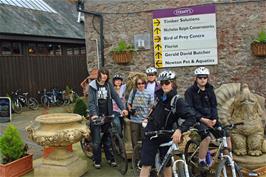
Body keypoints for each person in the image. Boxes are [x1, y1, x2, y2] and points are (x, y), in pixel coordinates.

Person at [140, 70, 196, 177]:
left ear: (173, 83)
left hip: (166, 134)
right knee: (146, 164)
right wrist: (147, 118)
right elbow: (154, 111)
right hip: (151, 134)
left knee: (167, 164)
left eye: (167, 83)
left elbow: (191, 117)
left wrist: (180, 130)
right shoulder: (159, 97)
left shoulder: (177, 101)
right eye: (162, 83)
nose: (164, 86)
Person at [184, 67, 231, 170]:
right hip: (197, 120)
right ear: (196, 78)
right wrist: (202, 119)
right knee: (207, 137)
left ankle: (227, 159)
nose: (202, 79)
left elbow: (214, 106)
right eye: (200, 77)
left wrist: (214, 118)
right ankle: (201, 161)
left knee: (225, 134)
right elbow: (190, 109)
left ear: (207, 78)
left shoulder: (210, 89)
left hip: (211, 119)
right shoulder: (190, 92)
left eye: (205, 77)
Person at [88, 68, 128, 169]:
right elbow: (91, 102)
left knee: (108, 138)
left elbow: (116, 97)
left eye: (106, 74)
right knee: (97, 140)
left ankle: (110, 158)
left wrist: (123, 108)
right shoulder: (93, 86)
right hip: (96, 116)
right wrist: (93, 114)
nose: (105, 76)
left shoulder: (109, 85)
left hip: (107, 115)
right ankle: (97, 160)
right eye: (103, 74)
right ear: (99, 75)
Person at [127, 76, 153, 150]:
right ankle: (136, 158)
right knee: (134, 141)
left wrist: (147, 117)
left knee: (144, 139)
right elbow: (128, 103)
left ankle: (144, 157)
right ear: (136, 85)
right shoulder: (134, 91)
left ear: (145, 84)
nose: (141, 85)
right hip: (134, 120)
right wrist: (131, 110)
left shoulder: (149, 93)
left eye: (142, 83)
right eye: (139, 84)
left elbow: (151, 107)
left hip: (144, 120)